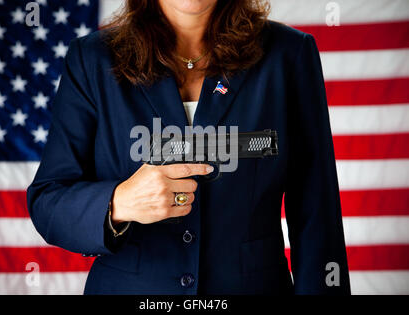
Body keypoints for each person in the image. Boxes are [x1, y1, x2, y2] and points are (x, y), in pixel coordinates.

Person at [27, 0, 351, 295]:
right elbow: (49, 201)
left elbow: (317, 214)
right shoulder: (91, 59)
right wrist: (119, 203)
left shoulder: (289, 54)